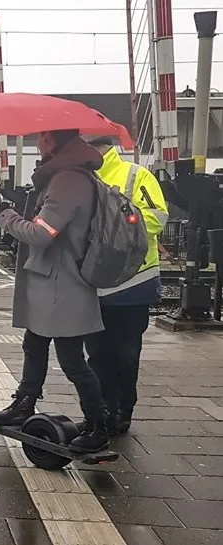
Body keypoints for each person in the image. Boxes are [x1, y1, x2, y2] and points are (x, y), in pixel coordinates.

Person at [0, 129, 110, 453]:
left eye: (42, 136)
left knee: (71, 360)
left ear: (54, 140)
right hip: (54, 280)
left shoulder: (68, 179)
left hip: (63, 284)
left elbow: (43, 233)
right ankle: (25, 402)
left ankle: (98, 425)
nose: (38, 141)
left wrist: (6, 217)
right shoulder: (63, 175)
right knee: (35, 343)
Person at [85, 136, 168, 435]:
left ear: (98, 147)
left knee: (126, 353)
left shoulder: (135, 175)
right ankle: (102, 411)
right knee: (97, 353)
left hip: (133, 279)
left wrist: (115, 225)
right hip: (94, 281)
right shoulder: (82, 178)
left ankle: (122, 410)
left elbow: (156, 217)